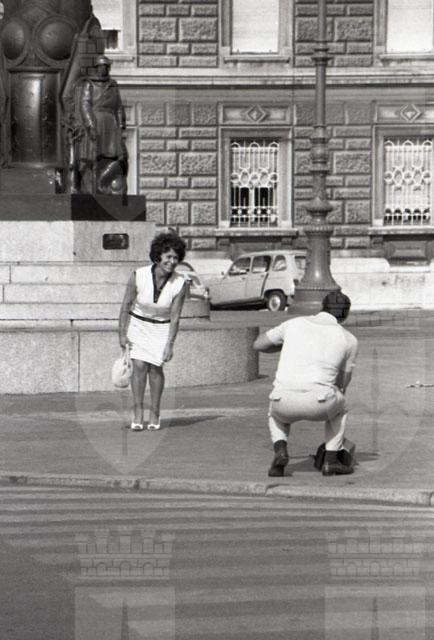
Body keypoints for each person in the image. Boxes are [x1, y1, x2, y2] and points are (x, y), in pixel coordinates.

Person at [253, 291, 358, 477]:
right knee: (342, 407)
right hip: (320, 403)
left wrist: (284, 345)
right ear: (345, 315)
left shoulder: (293, 324)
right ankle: (331, 461)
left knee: (275, 414)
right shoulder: (349, 339)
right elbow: (342, 383)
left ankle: (280, 449)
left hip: (283, 400)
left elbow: (258, 344)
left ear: (322, 307)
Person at [118, 232, 187, 431]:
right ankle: (138, 412)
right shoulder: (138, 275)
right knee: (139, 366)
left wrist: (170, 344)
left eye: (176, 258)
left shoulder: (180, 283)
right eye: (168, 257)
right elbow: (125, 306)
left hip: (161, 328)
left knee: (155, 369)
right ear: (158, 256)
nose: (172, 262)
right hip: (138, 325)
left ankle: (155, 411)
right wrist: (122, 334)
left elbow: (175, 317)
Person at [77, 54, 128, 194]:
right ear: (96, 68)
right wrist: (90, 124)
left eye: (106, 67)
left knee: (120, 156)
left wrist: (121, 125)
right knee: (94, 157)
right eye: (101, 67)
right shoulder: (89, 84)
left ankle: (103, 180)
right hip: (96, 120)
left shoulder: (113, 85)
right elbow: (85, 105)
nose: (103, 69)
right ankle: (92, 186)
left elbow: (118, 106)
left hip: (111, 122)